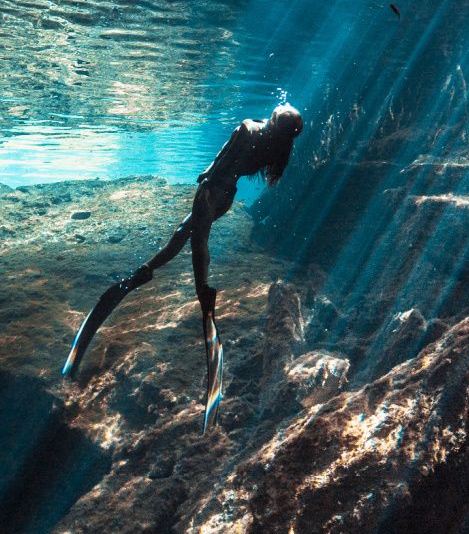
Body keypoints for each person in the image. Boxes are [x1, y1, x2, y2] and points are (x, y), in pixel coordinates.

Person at [62, 104, 304, 431]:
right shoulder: (277, 147)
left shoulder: (248, 127)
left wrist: (205, 178)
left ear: (274, 120)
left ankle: (203, 292)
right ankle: (143, 273)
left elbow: (221, 158)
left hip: (210, 190)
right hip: (227, 196)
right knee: (181, 236)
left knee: (195, 243)